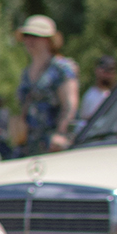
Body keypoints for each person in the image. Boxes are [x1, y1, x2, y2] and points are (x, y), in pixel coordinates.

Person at [12, 14, 79, 154]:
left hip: (52, 143)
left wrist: (61, 133)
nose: (29, 40)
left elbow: (70, 105)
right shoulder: (27, 72)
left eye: (35, 36)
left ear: (49, 40)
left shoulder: (61, 68)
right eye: (26, 36)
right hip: (28, 143)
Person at [76, 55, 117, 131]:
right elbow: (84, 121)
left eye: (111, 71)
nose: (108, 75)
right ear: (97, 71)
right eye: (105, 71)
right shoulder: (90, 96)